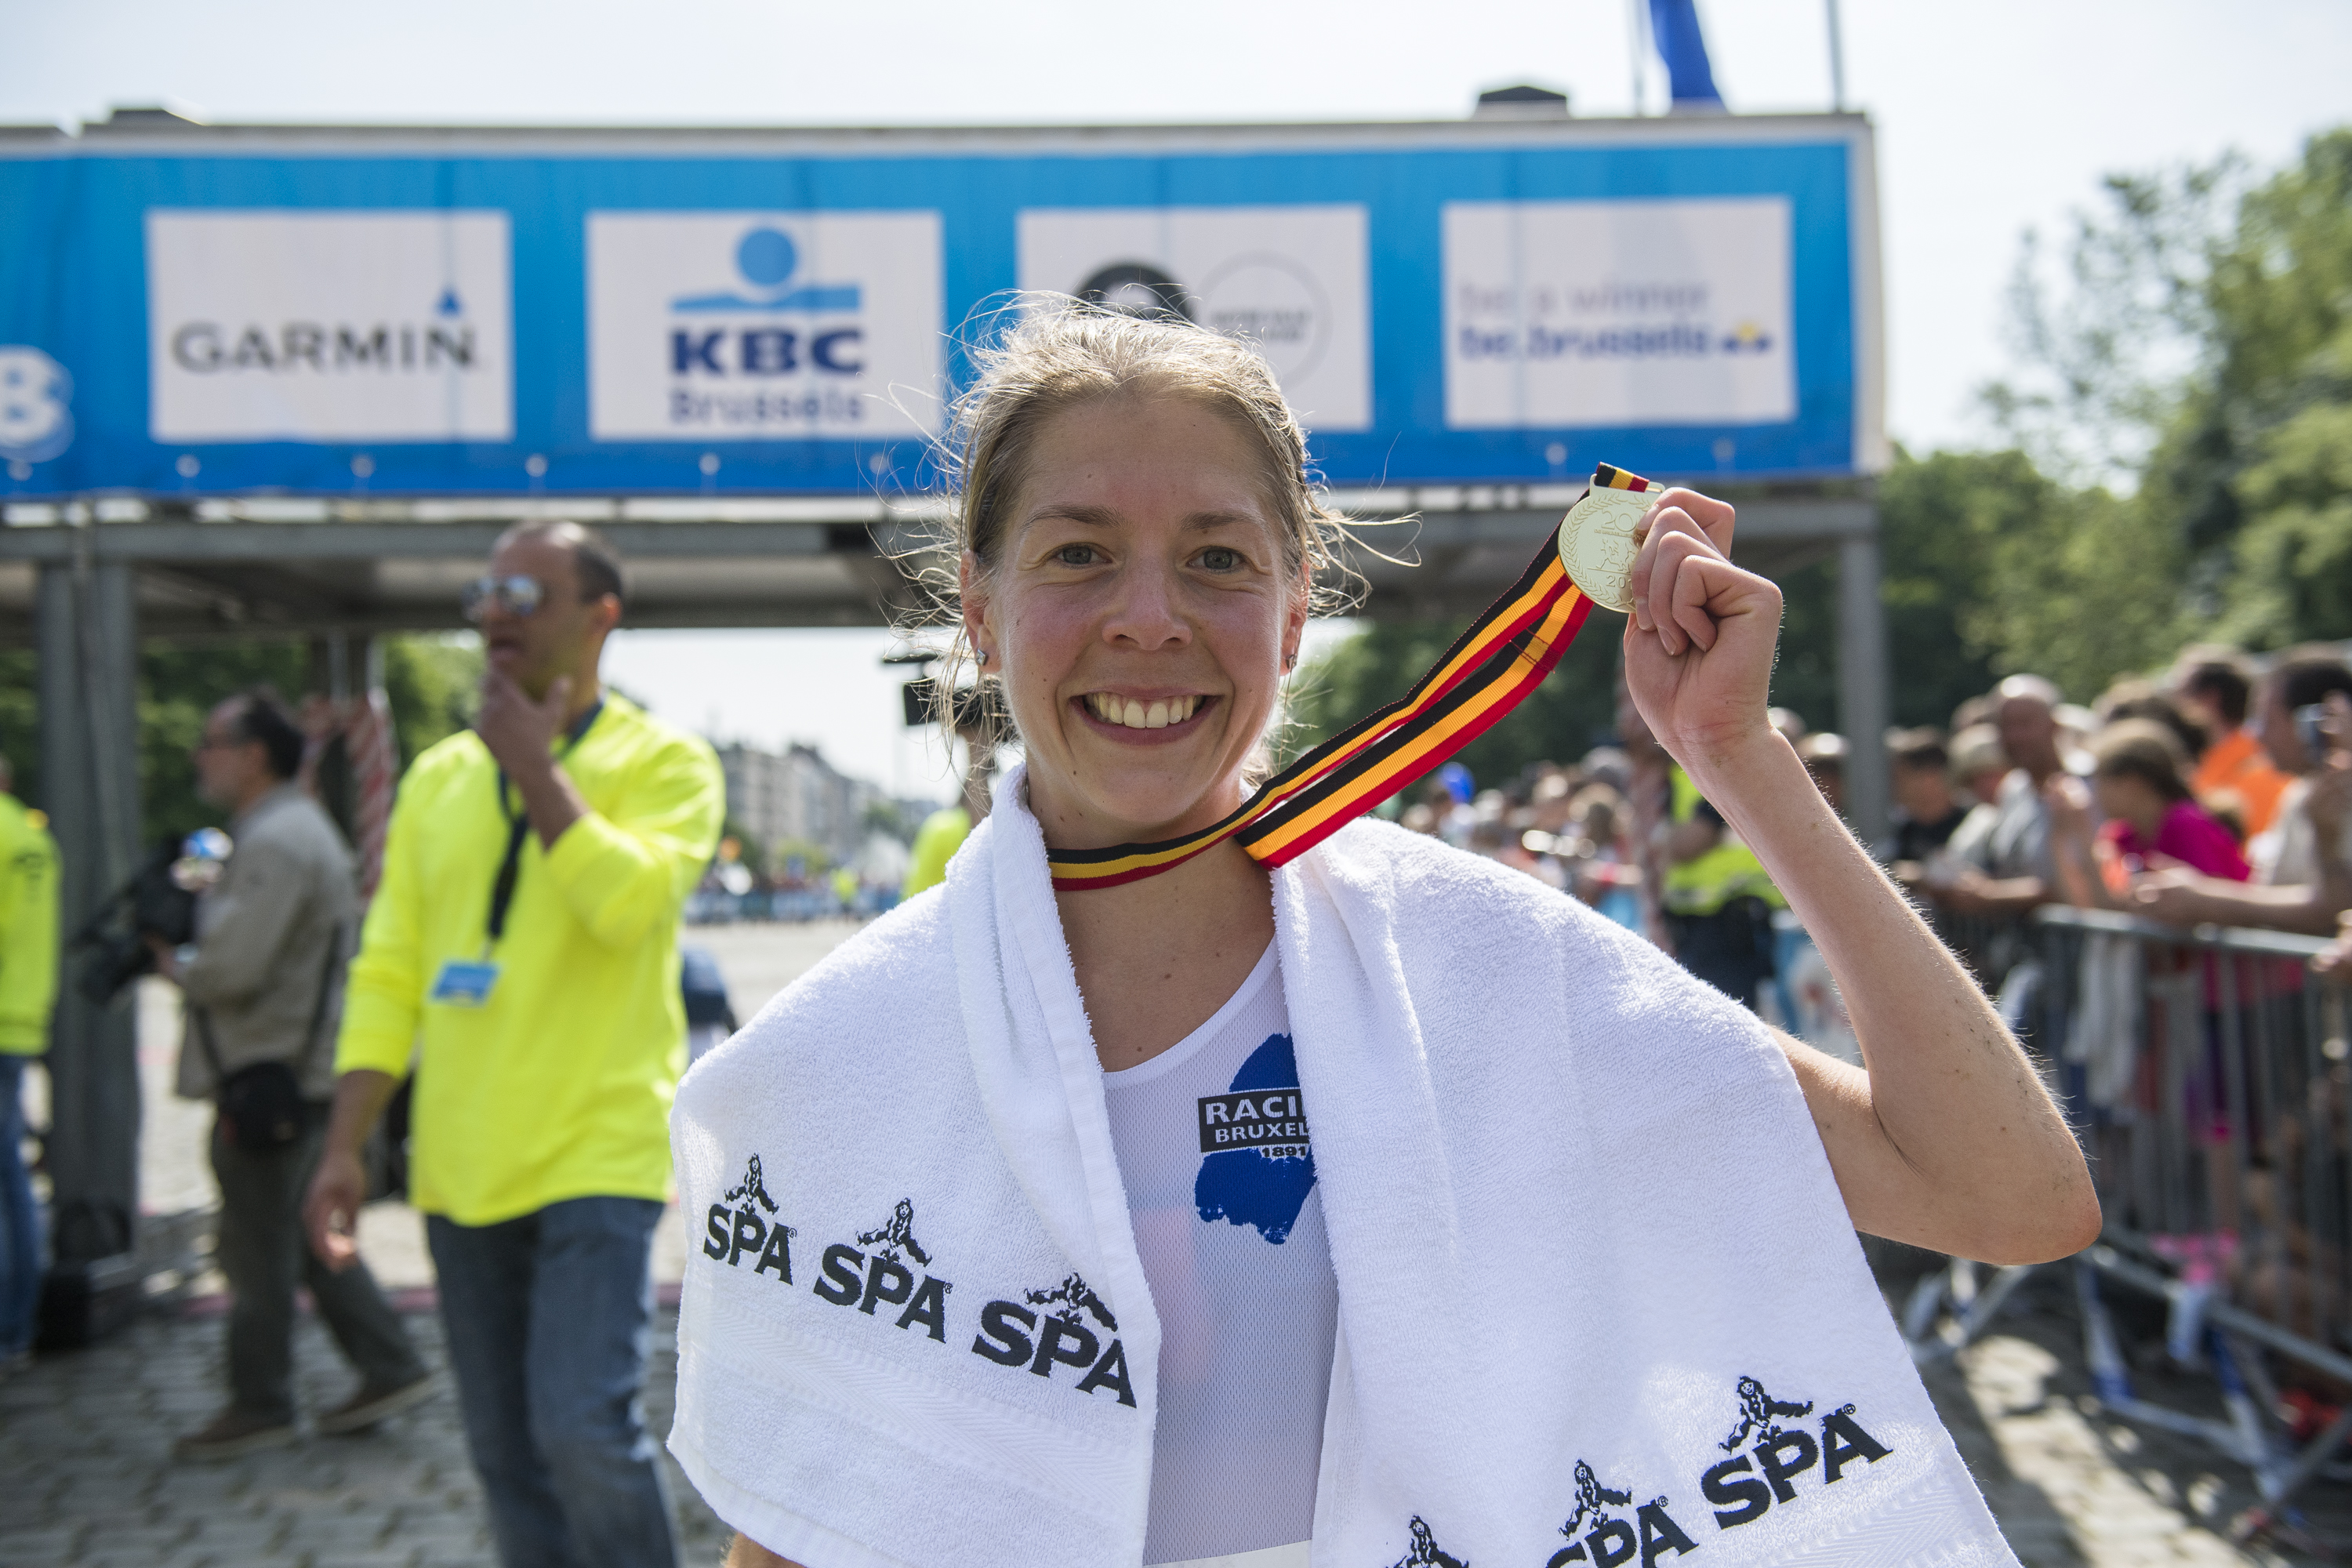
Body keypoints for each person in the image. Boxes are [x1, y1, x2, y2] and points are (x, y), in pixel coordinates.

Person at [670, 305, 2095, 1568]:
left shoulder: (1475, 968)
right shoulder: (840, 1060)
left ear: (1295, 619)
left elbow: (2006, 1197)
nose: (1150, 620)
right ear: (980, 616)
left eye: (1219, 559)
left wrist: (1740, 758)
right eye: (1080, 555)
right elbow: (801, 1532)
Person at [302, 521, 726, 1568]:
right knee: (503, 1451)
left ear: (600, 619)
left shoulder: (666, 761)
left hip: (598, 1152)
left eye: (526, 595)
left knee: (581, 1430)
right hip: (460, 1164)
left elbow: (627, 908)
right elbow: (390, 969)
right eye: (485, 591)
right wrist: (347, 1143)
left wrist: (536, 766)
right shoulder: (441, 778)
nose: (494, 612)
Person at [151, 691, 430, 1459]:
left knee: (254, 1248)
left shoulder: (277, 838)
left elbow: (233, 965)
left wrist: (173, 956)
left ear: (254, 753)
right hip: (285, 1070)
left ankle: (261, 1399)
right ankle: (388, 1361)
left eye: (211, 742)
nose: (199, 757)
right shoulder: (281, 831)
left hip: (271, 1073)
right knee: (306, 1235)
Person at [2132, 652, 2352, 935]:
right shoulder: (2299, 793)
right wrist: (2199, 892)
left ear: (2312, 722)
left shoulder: (2334, 798)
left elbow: (2331, 909)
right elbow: (2275, 894)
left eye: (2267, 720)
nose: (2256, 736)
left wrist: (2204, 900)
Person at [2046, 719, 2249, 909]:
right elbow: (2097, 906)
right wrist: (2064, 831)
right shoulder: (2123, 835)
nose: (2096, 792)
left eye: (2103, 781)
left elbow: (2210, 910)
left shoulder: (2184, 824)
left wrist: (2083, 833)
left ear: (2133, 783)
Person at [0, 752, 58, 1374]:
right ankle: (17, 1322)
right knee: (11, 1176)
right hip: (22, 1018)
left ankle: (10, 1324)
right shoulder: (33, 836)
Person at [2173, 647, 2292, 838]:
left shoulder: (2265, 760)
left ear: (2209, 698)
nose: (2176, 706)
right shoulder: (2200, 765)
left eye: (2182, 694)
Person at [1884, 728, 1969, 866]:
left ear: (1929, 777)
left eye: (1899, 777)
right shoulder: (1906, 829)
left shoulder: (1973, 824)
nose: (1892, 785)